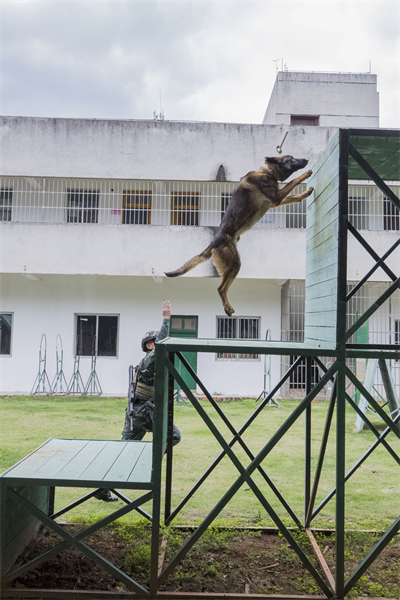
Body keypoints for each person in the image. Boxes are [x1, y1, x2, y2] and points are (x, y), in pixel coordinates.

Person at [95, 301, 181, 502]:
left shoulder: (153, 362)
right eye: (155, 342)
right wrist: (166, 319)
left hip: (138, 412)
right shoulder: (151, 359)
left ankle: (102, 486)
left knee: (125, 451)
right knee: (173, 436)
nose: (160, 345)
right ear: (150, 345)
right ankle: (147, 463)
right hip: (144, 412)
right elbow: (162, 342)